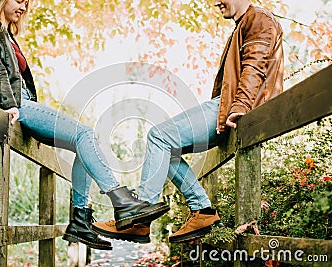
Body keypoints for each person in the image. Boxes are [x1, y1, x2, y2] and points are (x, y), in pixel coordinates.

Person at [0, 0, 170, 250]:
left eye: (27, 3)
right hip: (16, 105)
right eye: (19, 0)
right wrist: (9, 104)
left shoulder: (8, 34)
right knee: (85, 135)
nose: (23, 7)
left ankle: (81, 221)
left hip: (24, 104)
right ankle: (120, 200)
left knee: (84, 142)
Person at [92, 0, 284, 243]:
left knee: (159, 136)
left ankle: (140, 216)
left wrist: (240, 106)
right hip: (231, 104)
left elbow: (256, 67)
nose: (216, 2)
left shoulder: (259, 18)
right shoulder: (247, 22)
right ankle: (202, 211)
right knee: (165, 149)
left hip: (234, 106)